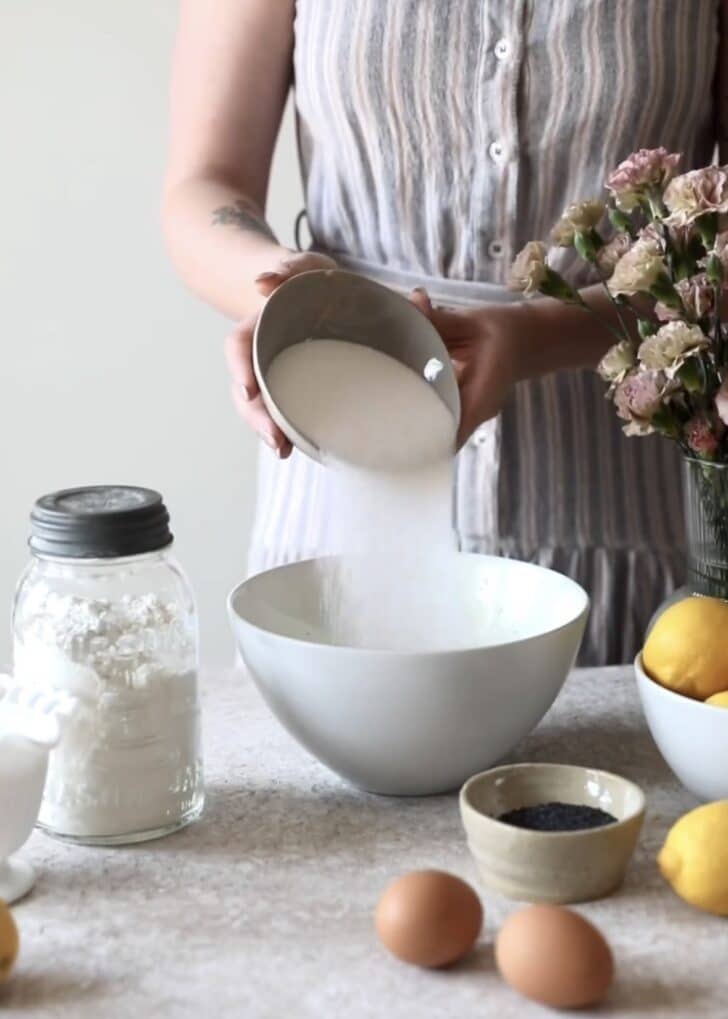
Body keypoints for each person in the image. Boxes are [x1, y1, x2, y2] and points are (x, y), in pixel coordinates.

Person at [163, 0, 728, 665]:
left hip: (627, 529)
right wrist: (277, 284)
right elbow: (204, 185)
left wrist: (538, 335)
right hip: (334, 507)